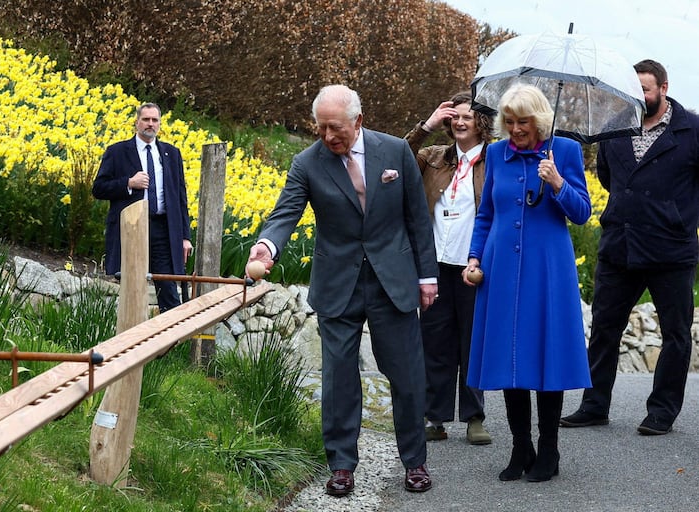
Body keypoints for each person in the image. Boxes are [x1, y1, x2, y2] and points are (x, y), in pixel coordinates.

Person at [245, 84, 439, 496]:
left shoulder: (395, 153)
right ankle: (342, 465)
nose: (329, 137)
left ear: (359, 122)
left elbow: (417, 218)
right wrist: (267, 245)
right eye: (321, 129)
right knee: (338, 378)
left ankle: (415, 462)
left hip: (393, 280)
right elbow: (286, 212)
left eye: (336, 128)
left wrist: (427, 276)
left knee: (406, 375)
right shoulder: (307, 163)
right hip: (338, 283)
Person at [561, 59, 699, 435]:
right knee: (605, 327)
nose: (640, 96)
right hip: (620, 242)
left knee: (675, 332)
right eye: (634, 89)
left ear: (664, 89)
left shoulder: (692, 129)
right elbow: (606, 177)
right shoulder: (614, 127)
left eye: (646, 89)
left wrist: (678, 216)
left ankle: (661, 412)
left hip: (670, 248)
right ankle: (594, 405)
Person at [464, 84, 591, 482]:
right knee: (508, 355)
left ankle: (549, 450)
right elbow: (486, 214)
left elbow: (582, 212)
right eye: (510, 122)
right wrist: (473, 257)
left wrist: (556, 182)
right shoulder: (496, 155)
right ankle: (521, 447)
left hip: (547, 268)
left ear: (539, 120)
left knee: (545, 353)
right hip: (500, 268)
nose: (516, 129)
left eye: (523, 122)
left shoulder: (564, 152)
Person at [404, 92, 493, 445]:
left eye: (467, 117)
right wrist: (425, 127)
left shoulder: (493, 160)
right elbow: (396, 156)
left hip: (473, 267)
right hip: (435, 265)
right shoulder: (434, 158)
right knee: (435, 342)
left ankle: (474, 417)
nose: (459, 122)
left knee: (473, 343)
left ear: (481, 122)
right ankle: (435, 417)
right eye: (454, 117)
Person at [92, 102, 193, 313]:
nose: (150, 124)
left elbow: (180, 198)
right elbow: (98, 188)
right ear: (137, 122)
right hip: (133, 227)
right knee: (133, 285)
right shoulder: (117, 152)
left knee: (168, 289)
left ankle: (172, 340)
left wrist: (185, 237)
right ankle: (132, 338)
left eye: (154, 120)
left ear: (160, 124)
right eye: (146, 119)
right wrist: (128, 183)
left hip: (162, 228)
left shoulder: (171, 154)